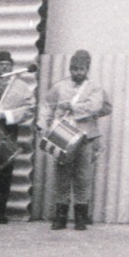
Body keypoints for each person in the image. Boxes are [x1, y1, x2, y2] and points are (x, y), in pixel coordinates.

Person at [39, 49, 112, 231]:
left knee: (83, 177)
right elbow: (47, 105)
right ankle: (60, 216)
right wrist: (43, 125)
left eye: (81, 69)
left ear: (87, 69)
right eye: (74, 69)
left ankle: (81, 216)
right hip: (63, 135)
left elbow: (98, 106)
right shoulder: (60, 86)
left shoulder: (94, 87)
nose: (77, 73)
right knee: (62, 176)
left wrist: (73, 107)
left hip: (85, 137)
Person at [0, 51, 36, 223]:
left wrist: (10, 116)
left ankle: (0, 212)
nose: (5, 67)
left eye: (8, 64)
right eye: (1, 64)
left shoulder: (20, 85)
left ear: (12, 66)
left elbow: (29, 108)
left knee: (5, 170)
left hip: (9, 129)